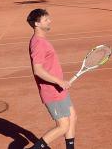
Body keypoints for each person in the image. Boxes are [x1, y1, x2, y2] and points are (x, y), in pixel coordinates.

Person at [27, 8, 76, 149]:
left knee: (72, 117)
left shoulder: (41, 40)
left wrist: (60, 83)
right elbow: (38, 70)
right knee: (63, 126)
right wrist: (59, 81)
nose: (50, 21)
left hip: (59, 89)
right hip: (51, 91)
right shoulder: (38, 44)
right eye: (46, 19)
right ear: (37, 24)